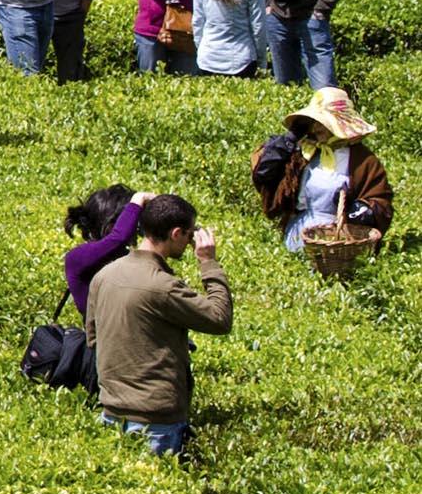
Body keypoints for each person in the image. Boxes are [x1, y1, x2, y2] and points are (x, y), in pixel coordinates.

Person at [84, 193, 230, 455]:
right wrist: (208, 262)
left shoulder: (103, 276)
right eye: (189, 234)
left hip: (110, 413)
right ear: (176, 233)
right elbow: (220, 319)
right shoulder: (163, 286)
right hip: (156, 424)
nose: (190, 242)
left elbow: (93, 340)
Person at [253, 88, 391, 254]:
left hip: (340, 241)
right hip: (299, 234)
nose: (317, 127)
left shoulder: (362, 160)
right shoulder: (304, 152)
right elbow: (264, 173)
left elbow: (380, 201)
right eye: (315, 122)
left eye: (323, 122)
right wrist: (288, 140)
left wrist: (358, 212)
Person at [62, 184, 143, 313]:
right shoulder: (77, 258)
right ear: (110, 223)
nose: (134, 226)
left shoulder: (126, 256)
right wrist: (139, 199)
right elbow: (119, 237)